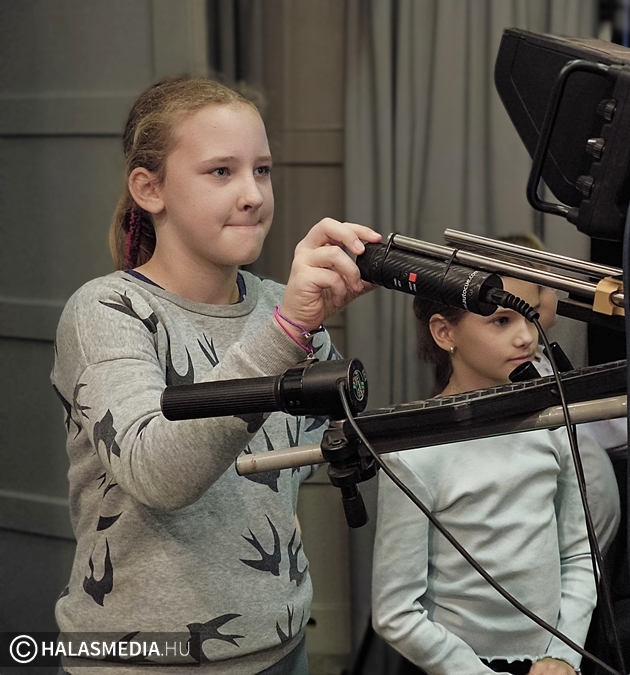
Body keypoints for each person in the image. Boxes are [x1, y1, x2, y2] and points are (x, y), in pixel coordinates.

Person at [50, 77, 381, 674]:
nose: (252, 194)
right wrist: (287, 331)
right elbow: (158, 475)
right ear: (150, 189)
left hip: (280, 648)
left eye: (262, 170)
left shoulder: (280, 307)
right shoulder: (107, 311)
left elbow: (301, 460)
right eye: (221, 172)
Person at [371, 276, 620, 675]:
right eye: (502, 321)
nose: (526, 337)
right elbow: (395, 612)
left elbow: (579, 551)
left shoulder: (552, 425)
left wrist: (563, 653)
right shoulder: (414, 453)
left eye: (530, 317)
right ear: (445, 332)